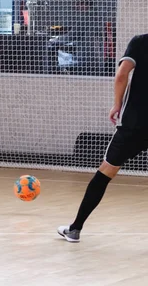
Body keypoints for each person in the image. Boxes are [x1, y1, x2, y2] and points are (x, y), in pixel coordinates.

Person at [58, 34, 148, 242]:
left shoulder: (140, 42)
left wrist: (117, 104)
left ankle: (75, 229)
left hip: (133, 124)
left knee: (104, 174)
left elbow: (121, 75)